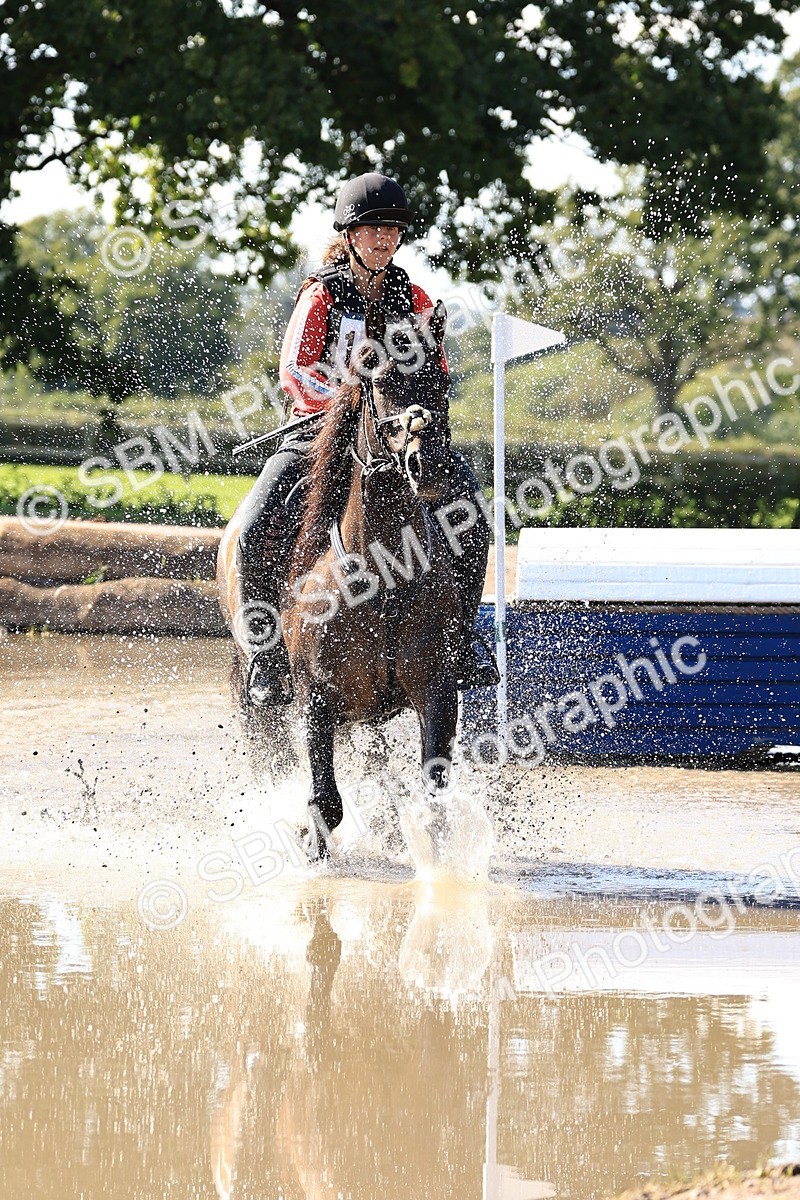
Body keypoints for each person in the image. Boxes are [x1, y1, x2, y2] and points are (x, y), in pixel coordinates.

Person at [236, 172, 499, 706]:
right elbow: (295, 369)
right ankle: (265, 653)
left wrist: (419, 412)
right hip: (320, 434)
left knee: (473, 516)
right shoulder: (321, 294)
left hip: (399, 435)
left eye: (394, 229)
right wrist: (344, 406)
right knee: (257, 524)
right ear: (351, 234)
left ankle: (463, 639)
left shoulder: (415, 295)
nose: (385, 238)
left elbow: (436, 368)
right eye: (374, 228)